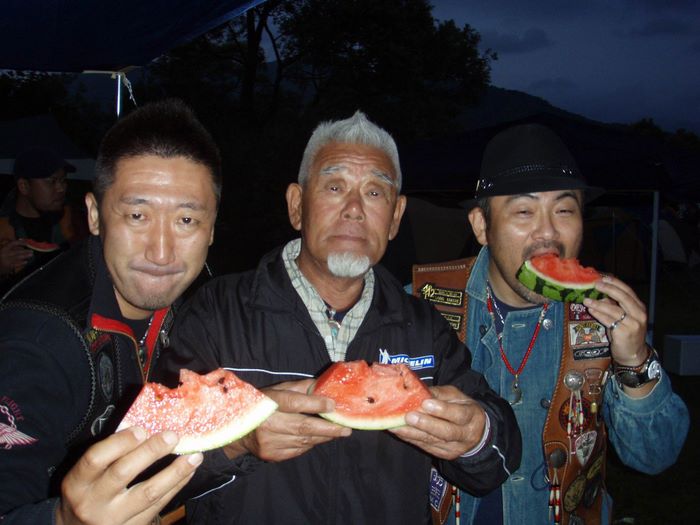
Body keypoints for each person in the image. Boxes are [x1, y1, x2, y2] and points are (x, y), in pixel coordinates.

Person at [156, 111, 521, 524]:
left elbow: (497, 461)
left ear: (395, 217)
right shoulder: (217, 313)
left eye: (375, 193)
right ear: (297, 205)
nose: (354, 209)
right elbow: (152, 464)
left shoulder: (423, 326)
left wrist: (476, 436)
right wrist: (237, 440)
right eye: (334, 187)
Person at [412, 123, 689, 524]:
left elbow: (655, 457)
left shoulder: (606, 315)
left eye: (564, 210)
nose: (548, 232)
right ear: (481, 226)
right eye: (524, 211)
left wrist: (635, 361)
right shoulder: (419, 305)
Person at [0, 98, 222, 524]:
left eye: (186, 221)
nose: (161, 253)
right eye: (137, 215)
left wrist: (241, 444)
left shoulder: (197, 304)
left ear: (211, 228)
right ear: (94, 215)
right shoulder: (35, 343)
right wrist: (62, 520)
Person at [0, 147, 80, 292]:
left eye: (63, 180)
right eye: (52, 181)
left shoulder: (77, 221)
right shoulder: (3, 228)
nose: (61, 188)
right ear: (24, 186)